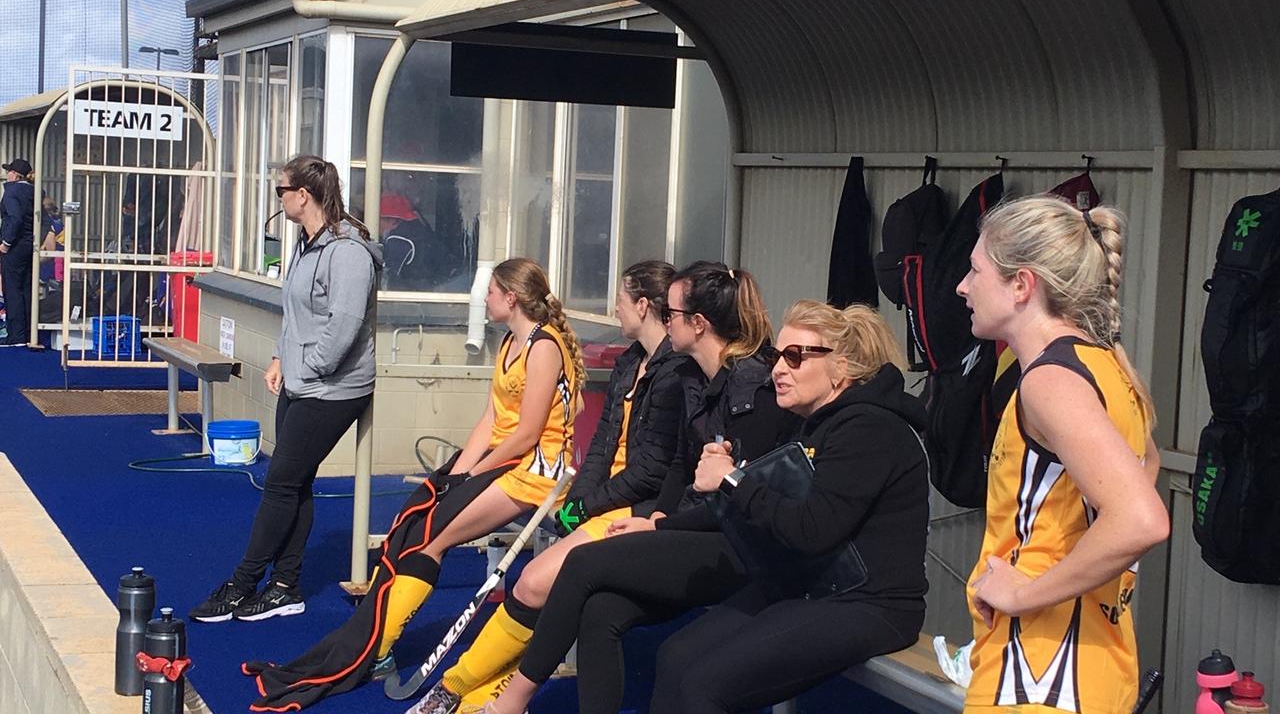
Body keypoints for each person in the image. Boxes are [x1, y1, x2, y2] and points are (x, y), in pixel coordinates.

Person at [479, 300, 930, 714]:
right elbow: (763, 504)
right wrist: (703, 500)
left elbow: (813, 528)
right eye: (777, 356)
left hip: (867, 603)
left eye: (795, 357)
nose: (778, 369)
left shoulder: (869, 428)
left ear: (841, 368)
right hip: (803, 580)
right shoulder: (813, 424)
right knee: (673, 656)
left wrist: (730, 482)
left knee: (704, 685)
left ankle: (512, 702)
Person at [242, 256, 588, 712]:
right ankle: (375, 640)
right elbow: (491, 420)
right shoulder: (509, 343)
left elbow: (526, 434)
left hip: (538, 473)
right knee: (415, 519)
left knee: (431, 539)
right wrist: (456, 474)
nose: (483, 300)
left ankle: (377, 650)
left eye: (490, 293)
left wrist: (476, 473)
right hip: (506, 463)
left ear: (512, 297)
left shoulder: (544, 347)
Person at [416, 261, 701, 713]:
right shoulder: (630, 363)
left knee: (532, 583)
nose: (614, 309)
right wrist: (580, 501)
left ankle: (466, 686)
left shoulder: (676, 374)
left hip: (638, 508)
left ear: (644, 306)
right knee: (536, 583)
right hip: (606, 499)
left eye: (622, 300)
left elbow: (651, 470)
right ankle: (468, 689)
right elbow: (603, 443)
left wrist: (589, 506)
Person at [956, 195, 1168, 713]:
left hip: (1041, 672)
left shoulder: (1051, 381)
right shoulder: (1106, 367)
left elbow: (1142, 520)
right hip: (1091, 662)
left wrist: (1023, 594)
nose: (962, 286)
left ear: (1022, 285)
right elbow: (1148, 466)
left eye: (975, 270)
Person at [190, 155, 383, 623]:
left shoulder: (348, 251)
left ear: (303, 195)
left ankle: (243, 583)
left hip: (334, 387)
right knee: (295, 484)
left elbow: (345, 325)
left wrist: (310, 367)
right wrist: (281, 357)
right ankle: (284, 585)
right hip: (303, 380)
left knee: (280, 483)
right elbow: (296, 313)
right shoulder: (305, 243)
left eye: (282, 190)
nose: (277, 198)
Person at [1, 158, 36, 347]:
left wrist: (6, 243)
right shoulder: (34, 192)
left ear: (14, 174)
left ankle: (16, 335)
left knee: (12, 289)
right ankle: (29, 333)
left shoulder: (11, 192)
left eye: (9, 172)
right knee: (26, 288)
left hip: (15, 246)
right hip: (30, 245)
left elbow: (15, 219)